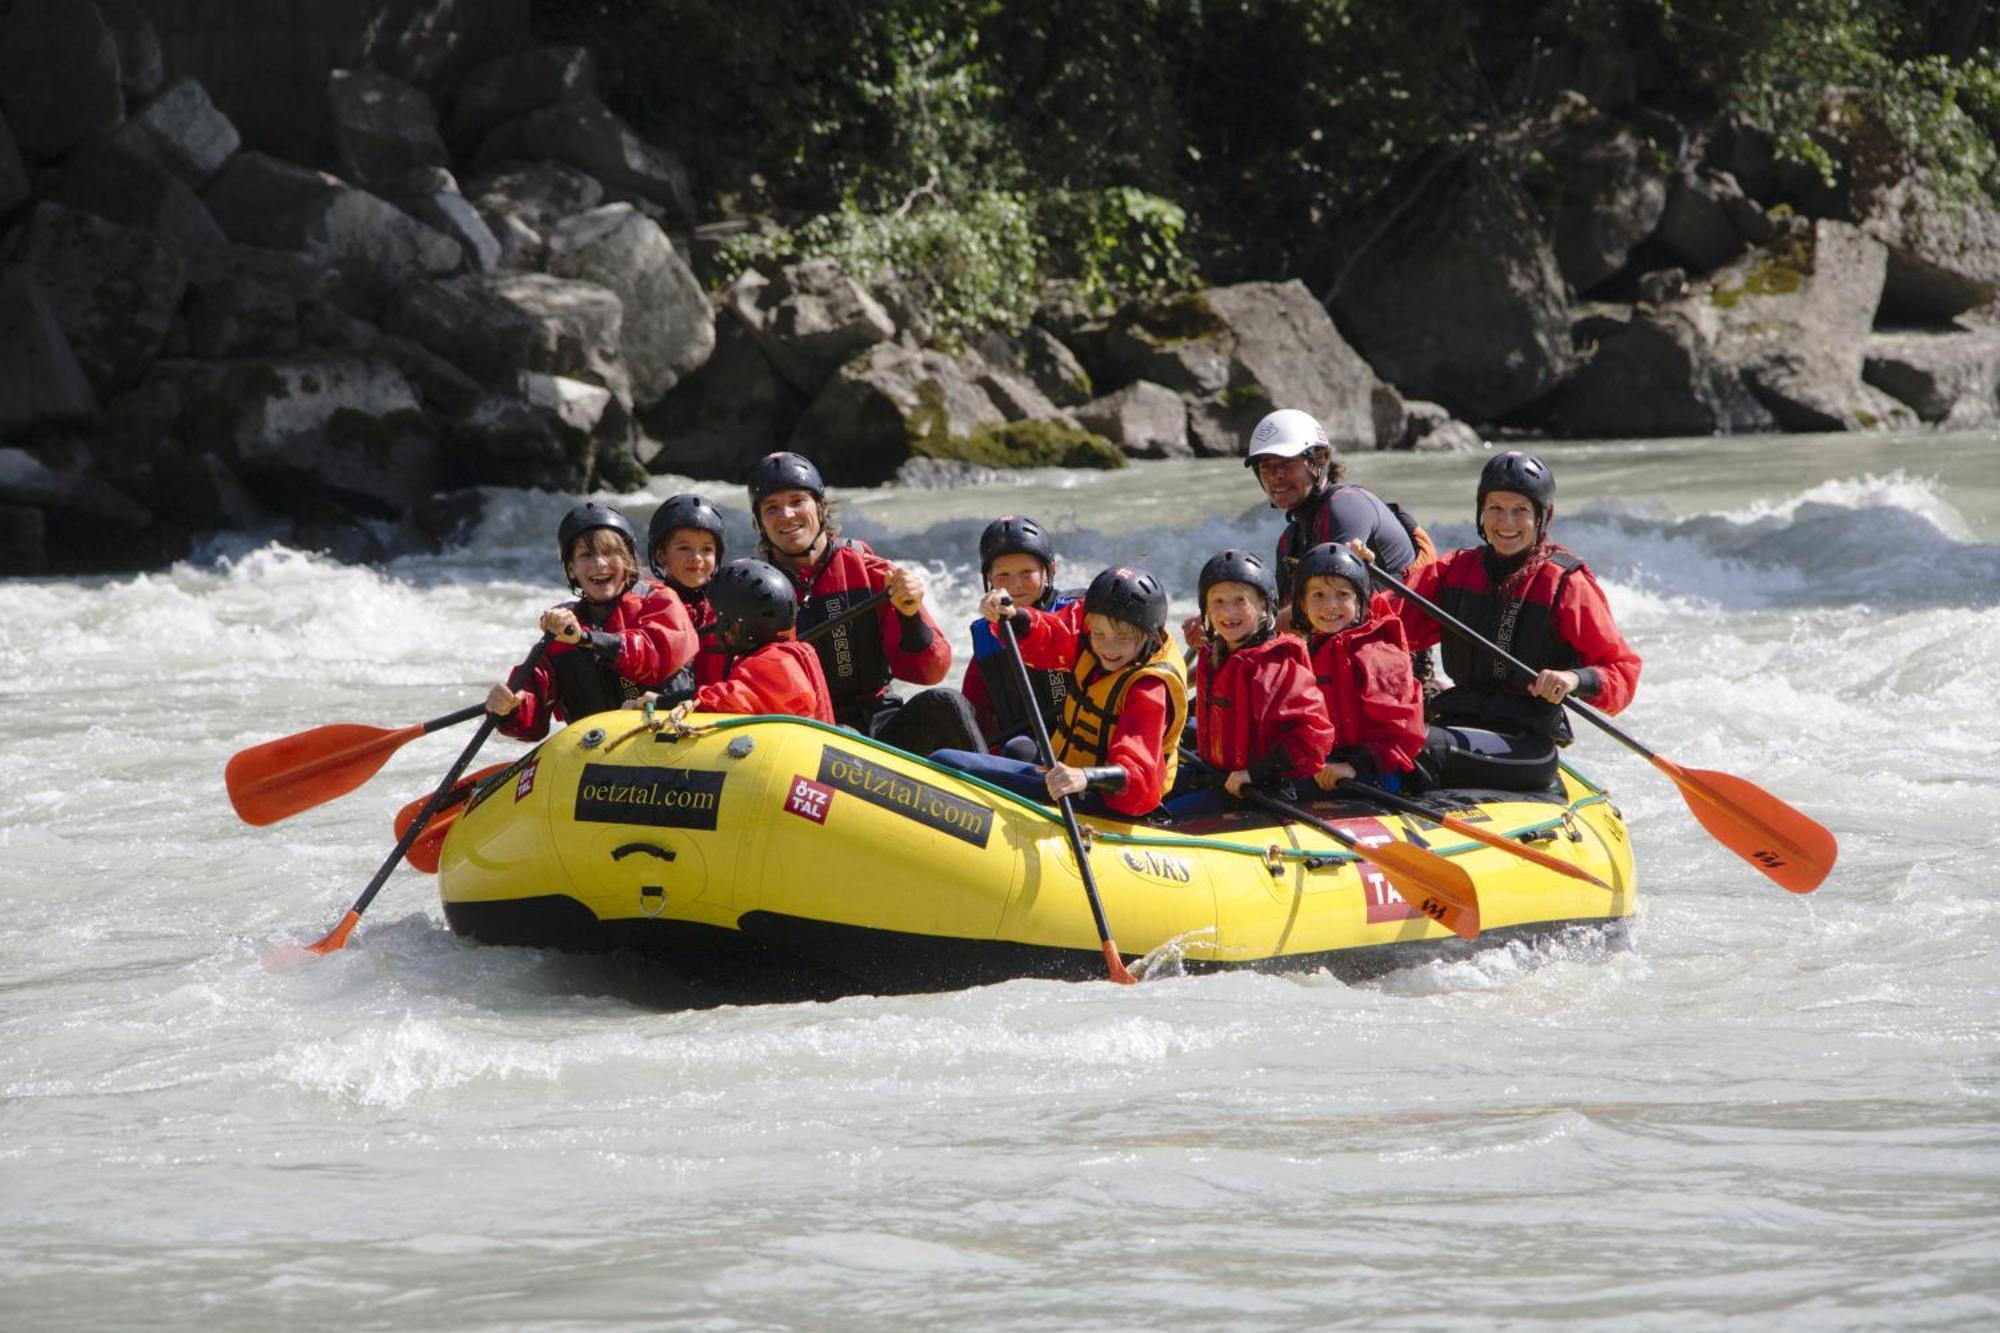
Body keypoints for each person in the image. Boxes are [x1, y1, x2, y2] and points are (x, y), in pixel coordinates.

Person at [1373, 450, 1642, 793]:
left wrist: (1573, 679)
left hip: (1524, 744)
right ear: (1480, 513)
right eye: (1495, 509)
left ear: (1543, 516)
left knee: (1415, 747)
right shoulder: (1456, 569)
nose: (1506, 522)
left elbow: (1623, 671)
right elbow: (1384, 623)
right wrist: (1344, 589)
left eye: (1520, 511)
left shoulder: (1565, 583)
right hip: (1459, 720)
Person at [748, 452, 981, 753]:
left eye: (797, 501)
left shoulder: (872, 572)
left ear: (820, 507)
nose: (787, 515)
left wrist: (910, 615)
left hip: (879, 723)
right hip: (804, 734)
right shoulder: (750, 589)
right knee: (842, 734)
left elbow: (929, 672)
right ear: (759, 522)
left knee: (946, 703)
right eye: (772, 507)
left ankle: (999, 793)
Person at [930, 567, 1187, 820]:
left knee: (947, 762)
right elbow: (1055, 633)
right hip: (1063, 776)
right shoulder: (1094, 633)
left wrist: (1084, 777)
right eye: (1099, 633)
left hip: (1102, 798)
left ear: (1148, 636)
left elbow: (1139, 775)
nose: (1107, 647)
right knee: (1003, 751)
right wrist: (1013, 616)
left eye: (1122, 638)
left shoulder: (1148, 689)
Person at [1183, 408, 1436, 657]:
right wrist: (1213, 633)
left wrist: (1228, 627)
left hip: (1390, 665)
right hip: (1338, 661)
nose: (1275, 476)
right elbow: (1275, 622)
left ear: (1318, 461)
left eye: (1286, 463)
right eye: (1266, 467)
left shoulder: (1346, 507)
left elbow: (1315, 611)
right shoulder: (1289, 540)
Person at [487, 502, 700, 740]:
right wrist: (510, 708)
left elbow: (655, 658)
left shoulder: (661, 601)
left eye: (609, 553)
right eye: (586, 555)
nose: (599, 563)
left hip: (668, 735)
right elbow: (532, 721)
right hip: (598, 751)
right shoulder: (561, 628)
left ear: (627, 560)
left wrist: (586, 639)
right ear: (571, 570)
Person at [1168, 548, 1336, 818]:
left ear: (1263, 608)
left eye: (1240, 601)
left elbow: (1312, 740)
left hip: (1262, 791)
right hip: (1218, 776)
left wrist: (1255, 773)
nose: (1228, 611)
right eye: (1218, 602)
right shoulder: (1216, 654)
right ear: (1206, 611)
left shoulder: (1278, 666)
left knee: (1167, 818)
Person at [1290, 543, 1425, 794]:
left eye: (1342, 594)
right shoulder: (1309, 650)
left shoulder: (1376, 653)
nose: (1330, 605)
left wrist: (1354, 766)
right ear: (1303, 604)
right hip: (1330, 763)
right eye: (1318, 595)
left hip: (1376, 770)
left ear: (1360, 600)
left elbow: (1401, 732)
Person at [644, 559, 835, 722]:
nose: (716, 626)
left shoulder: (776, 662)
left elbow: (731, 698)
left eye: (719, 618)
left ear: (735, 626)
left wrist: (661, 701)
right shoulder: (783, 653)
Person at [960, 515, 1073, 758]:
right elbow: (975, 709)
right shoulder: (985, 633)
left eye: (1026, 572)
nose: (1016, 584)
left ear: (1049, 570)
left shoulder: (1075, 613)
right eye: (1003, 575)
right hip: (1023, 750)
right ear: (989, 578)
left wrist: (1017, 619)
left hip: (1078, 746)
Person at [645, 492, 730, 705]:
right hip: (666, 716)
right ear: (660, 554)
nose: (697, 558)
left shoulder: (728, 606)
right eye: (684, 548)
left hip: (716, 712)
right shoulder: (646, 607)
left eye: (707, 549)